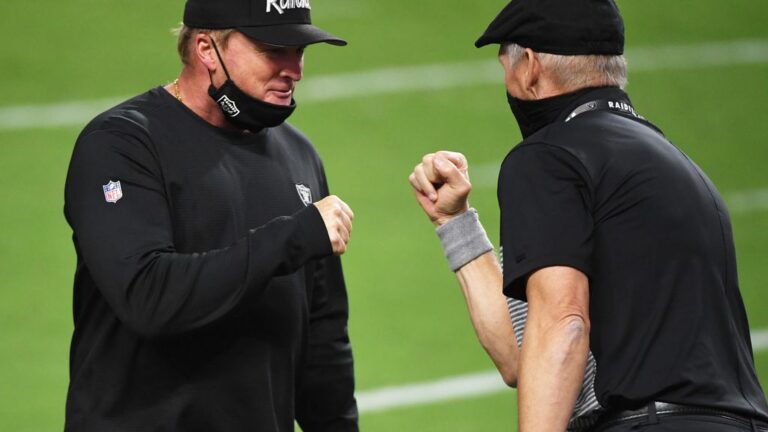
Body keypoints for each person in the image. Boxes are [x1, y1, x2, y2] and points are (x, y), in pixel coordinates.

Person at [409, 0, 768, 431]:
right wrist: (455, 223)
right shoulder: (677, 166)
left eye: (504, 63)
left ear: (530, 66)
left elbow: (562, 322)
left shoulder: (549, 157)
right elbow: (524, 357)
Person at [63, 0, 358, 430]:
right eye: (273, 50)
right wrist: (291, 237)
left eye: (300, 52)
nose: (293, 70)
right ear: (205, 47)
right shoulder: (121, 146)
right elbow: (149, 297)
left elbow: (323, 337)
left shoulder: (300, 156)